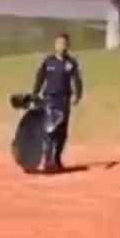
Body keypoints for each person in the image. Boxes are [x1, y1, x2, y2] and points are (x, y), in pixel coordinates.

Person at [32, 32, 83, 172]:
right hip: (50, 99)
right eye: (59, 43)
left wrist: (77, 95)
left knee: (62, 131)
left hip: (64, 99)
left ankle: (57, 158)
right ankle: (48, 159)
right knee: (49, 129)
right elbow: (40, 78)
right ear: (55, 45)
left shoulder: (71, 63)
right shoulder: (48, 62)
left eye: (65, 44)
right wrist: (35, 94)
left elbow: (77, 80)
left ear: (68, 46)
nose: (62, 46)